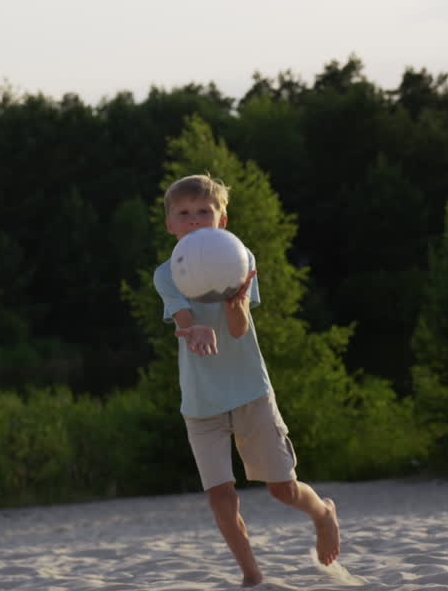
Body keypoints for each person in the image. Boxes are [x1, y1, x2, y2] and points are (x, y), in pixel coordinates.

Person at [152, 174, 340, 588]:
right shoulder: (167, 274)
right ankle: (252, 575)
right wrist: (196, 330)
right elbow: (185, 320)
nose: (195, 220)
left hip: (251, 392)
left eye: (204, 211)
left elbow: (238, 329)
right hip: (201, 403)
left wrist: (236, 304)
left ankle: (323, 513)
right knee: (221, 496)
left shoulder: (239, 258)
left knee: (282, 490)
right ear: (170, 224)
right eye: (184, 214)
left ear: (222, 219)